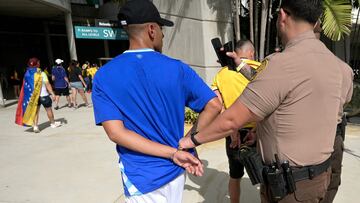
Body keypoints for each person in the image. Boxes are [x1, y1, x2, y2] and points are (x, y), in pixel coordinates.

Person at [179, 0, 354, 202]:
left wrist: (191, 140)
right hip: (321, 177)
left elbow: (231, 120)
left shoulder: (280, 64)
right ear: (316, 22)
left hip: (291, 188)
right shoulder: (339, 66)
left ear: (282, 16)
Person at [91, 0, 222, 202]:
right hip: (176, 170)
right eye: (161, 29)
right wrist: (187, 142)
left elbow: (116, 133)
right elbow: (214, 105)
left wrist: (172, 153)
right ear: (152, 30)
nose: (163, 34)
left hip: (141, 177)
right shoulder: (178, 69)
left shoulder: (104, 76)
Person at [211, 39, 260, 203]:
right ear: (251, 53)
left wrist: (232, 130)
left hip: (232, 135)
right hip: (256, 134)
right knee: (265, 178)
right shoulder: (260, 70)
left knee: (235, 176)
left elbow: (217, 106)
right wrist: (257, 131)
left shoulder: (221, 74)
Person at [313, 22, 354, 203]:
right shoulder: (344, 68)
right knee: (332, 180)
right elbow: (347, 99)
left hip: (300, 136)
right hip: (334, 133)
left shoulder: (286, 65)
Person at [15, 57, 62, 133]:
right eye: (38, 62)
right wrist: (53, 94)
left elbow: (26, 87)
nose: (39, 63)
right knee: (48, 110)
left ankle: (35, 126)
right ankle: (53, 123)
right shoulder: (41, 73)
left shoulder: (27, 74)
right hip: (44, 96)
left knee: (36, 112)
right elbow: (47, 84)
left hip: (34, 97)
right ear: (37, 64)